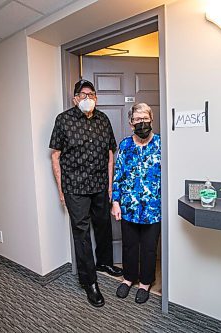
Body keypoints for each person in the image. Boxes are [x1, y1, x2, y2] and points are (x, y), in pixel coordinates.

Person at [49, 79, 123, 307]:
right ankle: (89, 281)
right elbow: (55, 157)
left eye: (92, 94)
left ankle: (105, 262)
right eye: (83, 94)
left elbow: (111, 153)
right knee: (81, 234)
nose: (88, 98)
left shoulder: (103, 120)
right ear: (75, 98)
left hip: (100, 185)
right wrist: (62, 191)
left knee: (103, 225)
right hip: (76, 188)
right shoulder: (63, 120)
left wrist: (110, 185)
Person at [111, 103, 161, 304]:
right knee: (130, 245)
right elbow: (118, 175)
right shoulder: (124, 146)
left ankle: (146, 282)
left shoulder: (160, 144)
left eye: (145, 118)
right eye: (138, 120)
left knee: (149, 247)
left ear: (151, 119)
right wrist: (115, 202)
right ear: (131, 123)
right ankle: (129, 277)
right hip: (128, 206)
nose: (142, 123)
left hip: (153, 208)